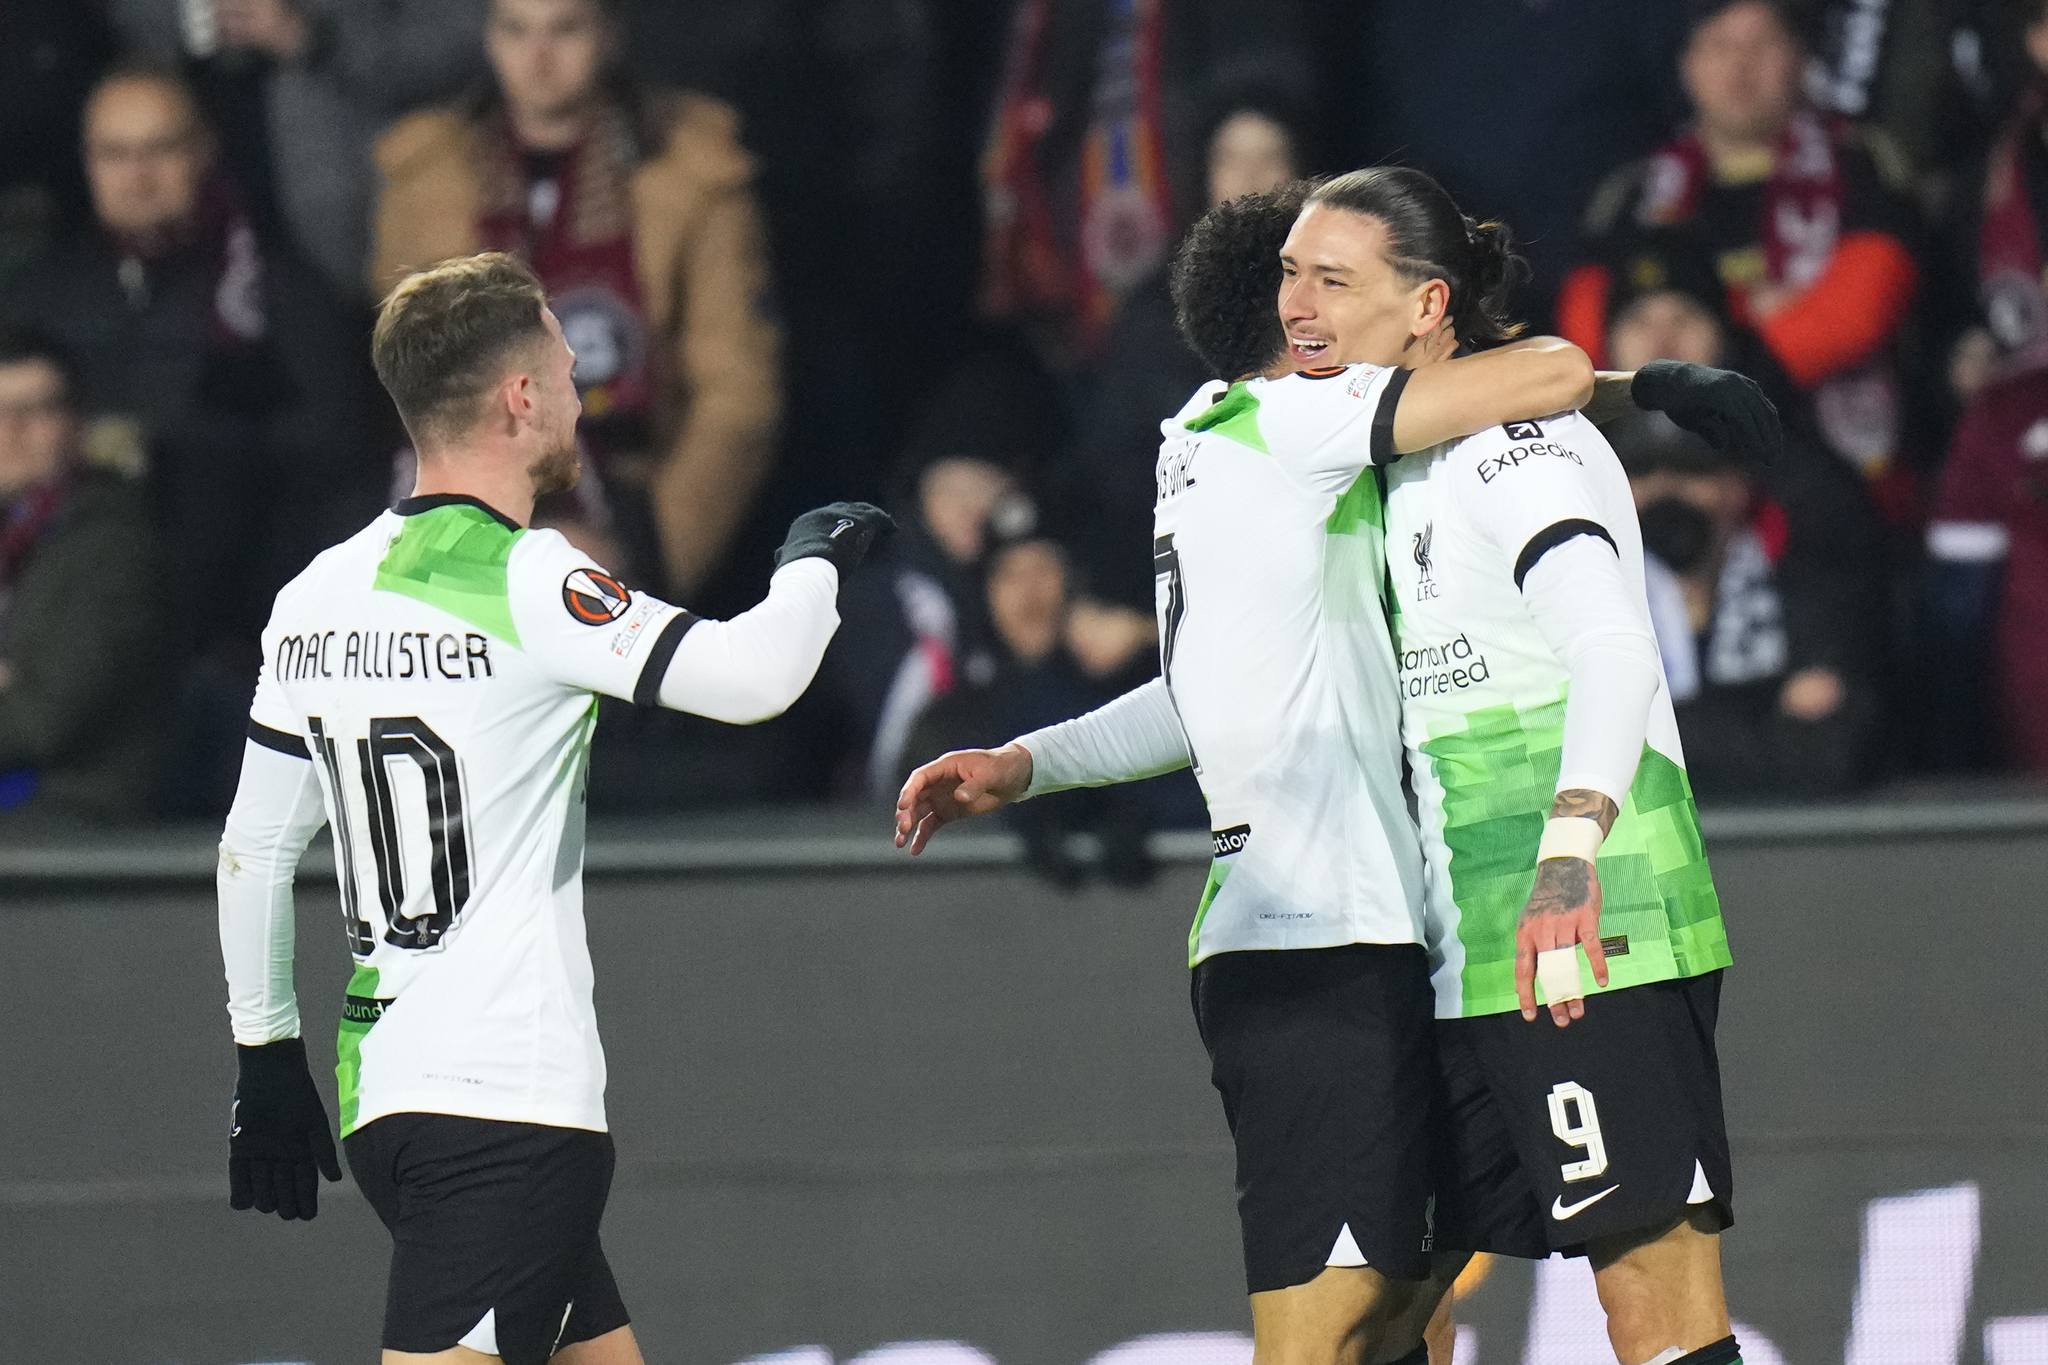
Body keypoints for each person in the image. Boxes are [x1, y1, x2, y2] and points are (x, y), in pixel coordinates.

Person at [896, 176, 1773, 1364]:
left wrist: (1570, 855)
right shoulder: (1356, 459)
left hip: (1586, 920)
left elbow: (1612, 648)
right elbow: (1222, 680)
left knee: (1647, 1307)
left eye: (1331, 280)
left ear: (1423, 306)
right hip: (1462, 945)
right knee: (1397, 1316)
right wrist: (1027, 763)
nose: (1298, 306)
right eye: (1287, 278)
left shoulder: (1509, 450)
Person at [215, 252, 891, 1364]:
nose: (581, 386)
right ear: (518, 398)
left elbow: (254, 851)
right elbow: (753, 678)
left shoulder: (313, 597)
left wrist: (263, 1062)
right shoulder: (527, 579)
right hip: (506, 1108)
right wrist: (812, 561)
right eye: (567, 367)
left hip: (384, 1098)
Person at [0, 57, 374, 813]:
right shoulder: (41, 298)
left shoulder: (278, 301)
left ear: (205, 153)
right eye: (114, 154)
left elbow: (334, 477)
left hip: (230, 645)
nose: (136, 176)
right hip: (61, 626)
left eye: (160, 150)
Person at [370, 0, 780, 601]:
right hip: (450, 512)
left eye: (566, 29)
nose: (538, 59)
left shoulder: (694, 176)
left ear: (610, 35)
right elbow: (396, 378)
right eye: (515, 30)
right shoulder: (427, 172)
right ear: (488, 37)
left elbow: (738, 396)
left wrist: (645, 554)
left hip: (628, 502)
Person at [1559, 0, 1919, 516]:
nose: (1739, 68)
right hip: (1663, 481)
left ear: (1802, 58)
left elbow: (1861, 310)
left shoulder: (1864, 166)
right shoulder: (1632, 194)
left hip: (1836, 474)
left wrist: (1703, 338)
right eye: (1719, 46)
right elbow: (1587, 337)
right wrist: (1739, 321)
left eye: (1762, 45)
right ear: (1687, 65)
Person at [111, 0, 489, 297]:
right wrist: (199, 15)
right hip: (201, 208)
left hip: (358, 217)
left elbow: (461, 37)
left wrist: (314, 38)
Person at [0, 328, 166, 825]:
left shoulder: (115, 546)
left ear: (77, 424)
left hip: (71, 811)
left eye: (36, 410)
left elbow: (41, 723)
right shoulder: (13, 534)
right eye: (0, 411)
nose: (11, 431)